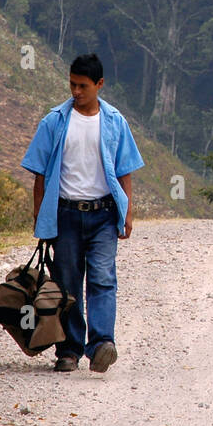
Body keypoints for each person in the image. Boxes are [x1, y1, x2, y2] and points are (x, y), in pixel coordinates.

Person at [21, 53, 144, 372]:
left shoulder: (115, 121)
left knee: (103, 278)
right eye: (72, 84)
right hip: (65, 215)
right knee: (67, 284)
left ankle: (102, 344)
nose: (76, 91)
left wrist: (127, 213)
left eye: (83, 86)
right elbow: (40, 174)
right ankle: (69, 350)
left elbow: (125, 171)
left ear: (99, 85)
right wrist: (40, 218)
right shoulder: (54, 121)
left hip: (103, 214)